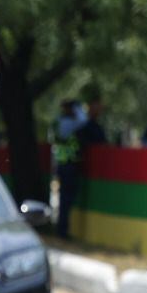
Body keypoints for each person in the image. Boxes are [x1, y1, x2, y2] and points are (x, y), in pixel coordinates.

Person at [57, 96, 107, 238]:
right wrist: (80, 110)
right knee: (65, 200)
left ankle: (63, 229)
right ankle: (62, 231)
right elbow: (83, 121)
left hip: (70, 165)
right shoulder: (66, 123)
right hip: (67, 165)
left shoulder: (71, 122)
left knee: (67, 200)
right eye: (72, 107)